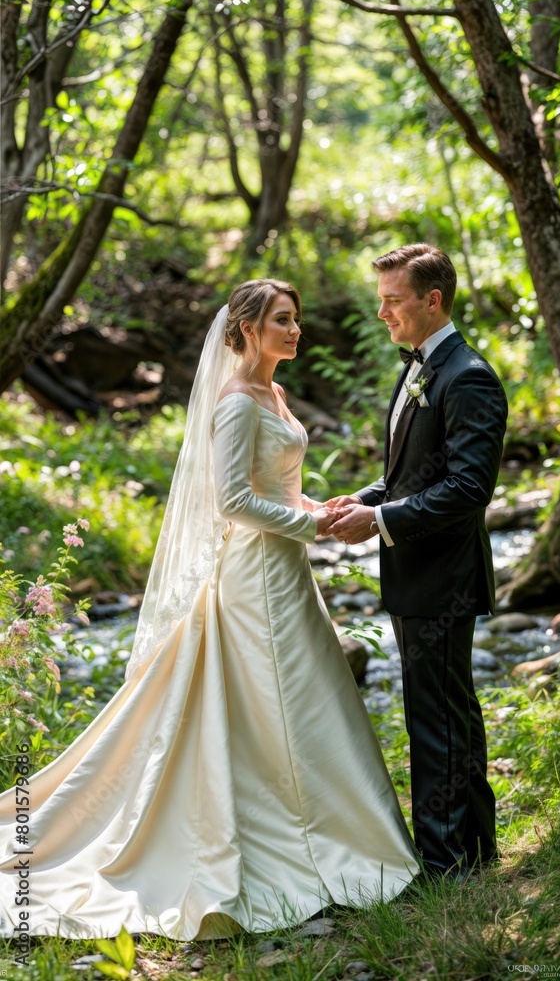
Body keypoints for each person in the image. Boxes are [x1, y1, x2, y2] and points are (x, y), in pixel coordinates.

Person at [0, 279, 419, 942]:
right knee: (278, 699)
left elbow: (273, 485)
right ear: (247, 328)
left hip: (283, 569)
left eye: (298, 318)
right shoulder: (232, 403)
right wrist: (308, 529)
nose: (295, 329)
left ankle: (324, 830)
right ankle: (298, 841)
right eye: (283, 319)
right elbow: (231, 503)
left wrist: (319, 507)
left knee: (301, 699)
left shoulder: (273, 394)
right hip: (256, 577)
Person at [328, 244, 508, 879]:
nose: (383, 312)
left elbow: (467, 489)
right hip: (420, 575)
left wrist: (378, 522)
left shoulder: (468, 375)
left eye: (393, 300)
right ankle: (472, 850)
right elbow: (410, 476)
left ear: (432, 300)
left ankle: (447, 862)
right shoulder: (421, 367)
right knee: (443, 712)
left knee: (439, 720)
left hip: (444, 579)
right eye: (380, 301)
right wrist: (367, 498)